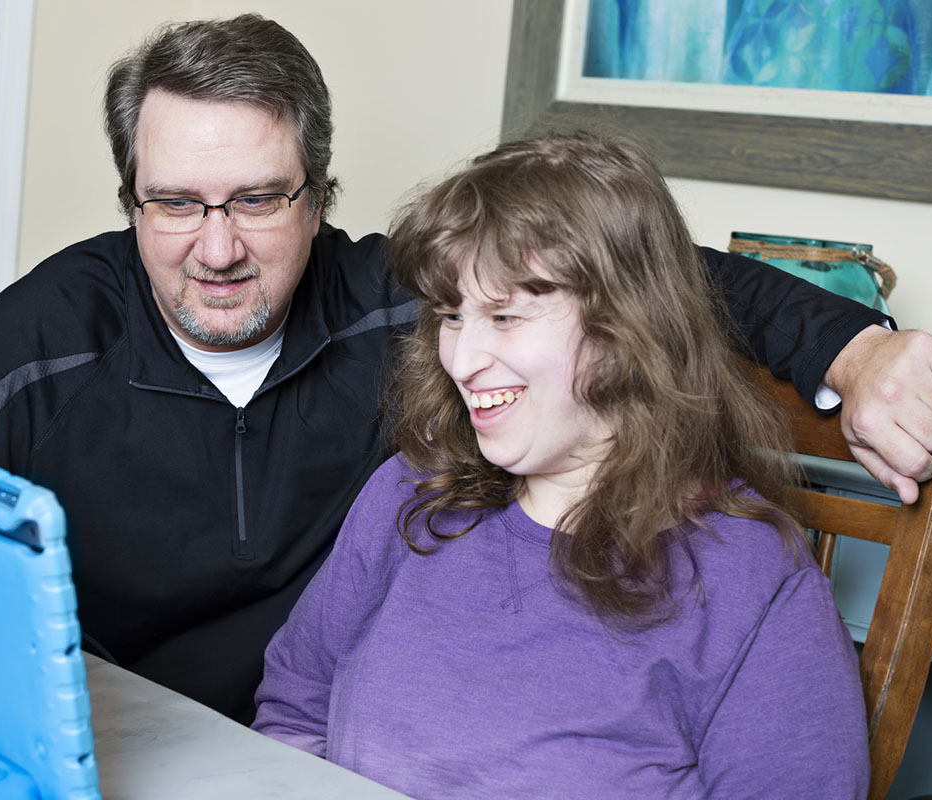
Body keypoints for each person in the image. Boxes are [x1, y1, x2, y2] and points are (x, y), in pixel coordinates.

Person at [0, 15, 932, 737]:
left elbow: (639, 276)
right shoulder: (49, 330)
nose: (216, 244)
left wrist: (849, 349)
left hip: (321, 750)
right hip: (114, 749)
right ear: (130, 202)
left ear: (321, 199)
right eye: (174, 202)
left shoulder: (406, 307)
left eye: (257, 197)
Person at [253, 129, 869, 798]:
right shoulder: (409, 489)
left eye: (507, 316)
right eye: (452, 314)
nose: (461, 360)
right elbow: (295, 705)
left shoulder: (749, 577)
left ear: (624, 327)